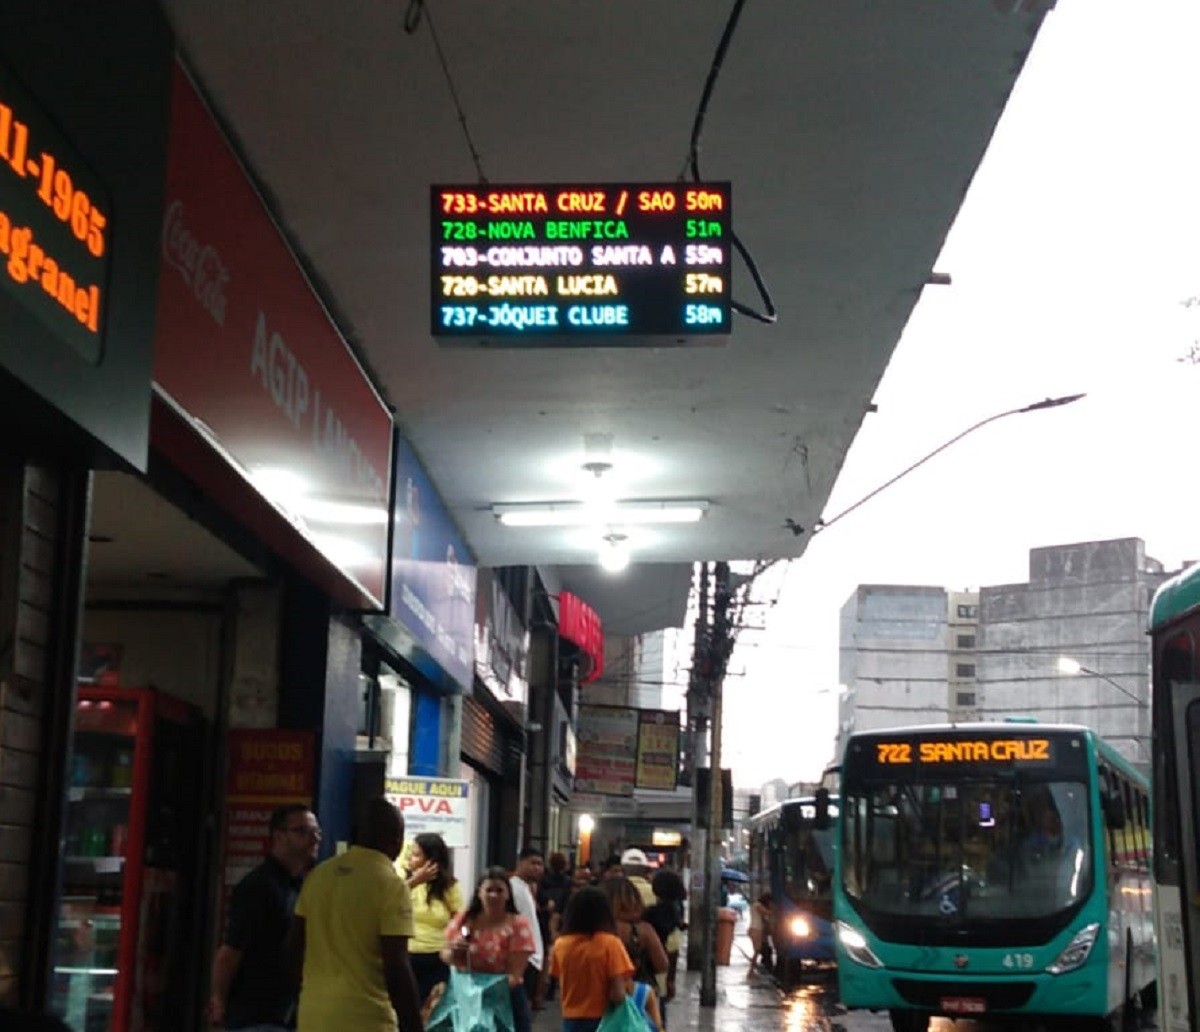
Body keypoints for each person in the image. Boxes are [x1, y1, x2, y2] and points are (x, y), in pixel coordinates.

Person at [287, 797, 423, 1032]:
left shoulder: (318, 876)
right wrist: (414, 1027)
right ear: (397, 841)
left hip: (312, 1017)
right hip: (367, 1019)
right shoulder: (390, 885)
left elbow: (293, 948)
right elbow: (396, 966)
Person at [208, 803, 320, 1029]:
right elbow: (230, 952)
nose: (314, 839)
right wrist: (218, 1001)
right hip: (256, 1013)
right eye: (302, 831)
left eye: (316, 832)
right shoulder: (258, 887)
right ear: (278, 836)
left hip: (288, 1014)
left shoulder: (302, 886)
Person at [442, 866, 536, 1032]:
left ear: (508, 894)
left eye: (499, 891)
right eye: (489, 890)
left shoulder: (518, 925)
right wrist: (454, 952)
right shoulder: (465, 920)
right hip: (466, 996)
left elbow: (515, 974)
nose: (494, 895)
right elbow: (445, 955)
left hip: (505, 998)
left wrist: (482, 991)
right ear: (479, 893)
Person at [548, 886, 633, 1032]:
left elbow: (558, 976)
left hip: (571, 1018)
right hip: (605, 1019)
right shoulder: (610, 943)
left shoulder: (561, 944)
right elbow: (618, 994)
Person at [405, 832, 464, 1008]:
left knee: (434, 1010)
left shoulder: (449, 887)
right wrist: (414, 881)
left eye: (416, 855)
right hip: (408, 956)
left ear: (431, 860)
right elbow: (389, 900)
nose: (410, 859)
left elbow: (461, 920)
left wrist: (457, 942)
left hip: (438, 958)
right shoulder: (404, 883)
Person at [600, 878, 668, 1003]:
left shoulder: (596, 930)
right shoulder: (644, 930)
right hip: (638, 996)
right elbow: (662, 965)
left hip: (602, 995)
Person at [512, 847, 547, 1010]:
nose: (537, 868)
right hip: (523, 957)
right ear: (520, 862)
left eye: (540, 864)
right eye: (533, 863)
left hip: (532, 956)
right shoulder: (513, 887)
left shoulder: (527, 888)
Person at [643, 869, 686, 1004]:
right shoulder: (675, 911)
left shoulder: (650, 912)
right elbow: (673, 948)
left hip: (646, 974)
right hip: (661, 977)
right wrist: (670, 980)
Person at [747, 892, 773, 979]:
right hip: (756, 929)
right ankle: (751, 972)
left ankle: (751, 971)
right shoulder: (758, 906)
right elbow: (767, 913)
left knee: (757, 951)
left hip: (754, 929)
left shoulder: (755, 905)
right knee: (757, 951)